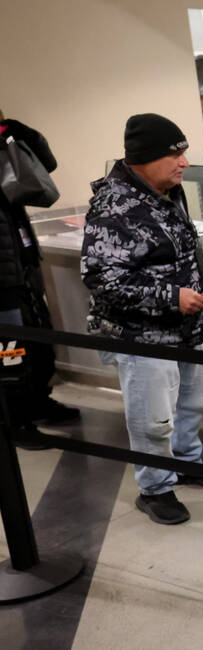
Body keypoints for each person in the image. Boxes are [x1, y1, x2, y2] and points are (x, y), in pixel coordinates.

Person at [82, 114, 203, 526]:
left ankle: (189, 462)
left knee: (196, 399)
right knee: (153, 419)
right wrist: (169, 296)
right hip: (141, 335)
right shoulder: (113, 205)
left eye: (183, 152)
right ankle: (155, 488)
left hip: (186, 327)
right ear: (144, 158)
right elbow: (101, 279)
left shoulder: (168, 190)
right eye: (174, 153)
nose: (184, 162)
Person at [0, 111, 79, 436]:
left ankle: (38, 401)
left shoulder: (5, 145)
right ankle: (16, 422)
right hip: (2, 281)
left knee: (39, 342)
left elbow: (45, 165)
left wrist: (21, 133)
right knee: (11, 352)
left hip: (22, 265)